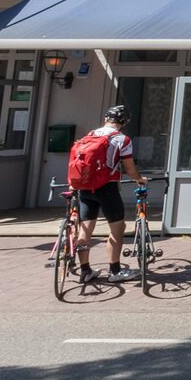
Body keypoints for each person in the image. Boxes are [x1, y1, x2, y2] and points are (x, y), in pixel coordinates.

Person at [70, 104, 146, 283]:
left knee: (85, 230)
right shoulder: (122, 139)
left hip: (85, 187)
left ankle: (85, 271)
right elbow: (129, 169)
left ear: (106, 119)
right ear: (124, 123)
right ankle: (115, 271)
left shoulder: (89, 136)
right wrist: (140, 179)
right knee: (117, 228)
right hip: (106, 188)